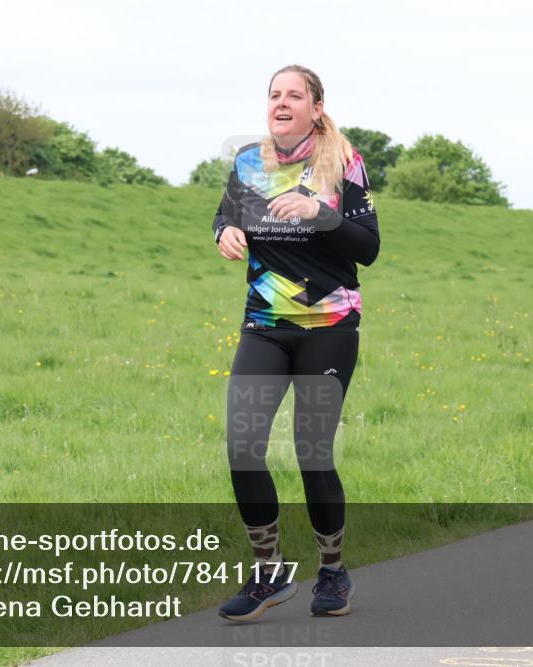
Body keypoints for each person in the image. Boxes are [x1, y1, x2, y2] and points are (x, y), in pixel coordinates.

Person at [213, 64, 380, 622]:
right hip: (264, 324)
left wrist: (320, 212)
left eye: (294, 95)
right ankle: (269, 572)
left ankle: (332, 571)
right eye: (274, 94)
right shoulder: (247, 162)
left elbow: (369, 247)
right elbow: (224, 216)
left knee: (312, 453)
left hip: (328, 329)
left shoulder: (342, 161)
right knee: (242, 448)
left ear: (315, 106)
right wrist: (226, 233)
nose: (281, 102)